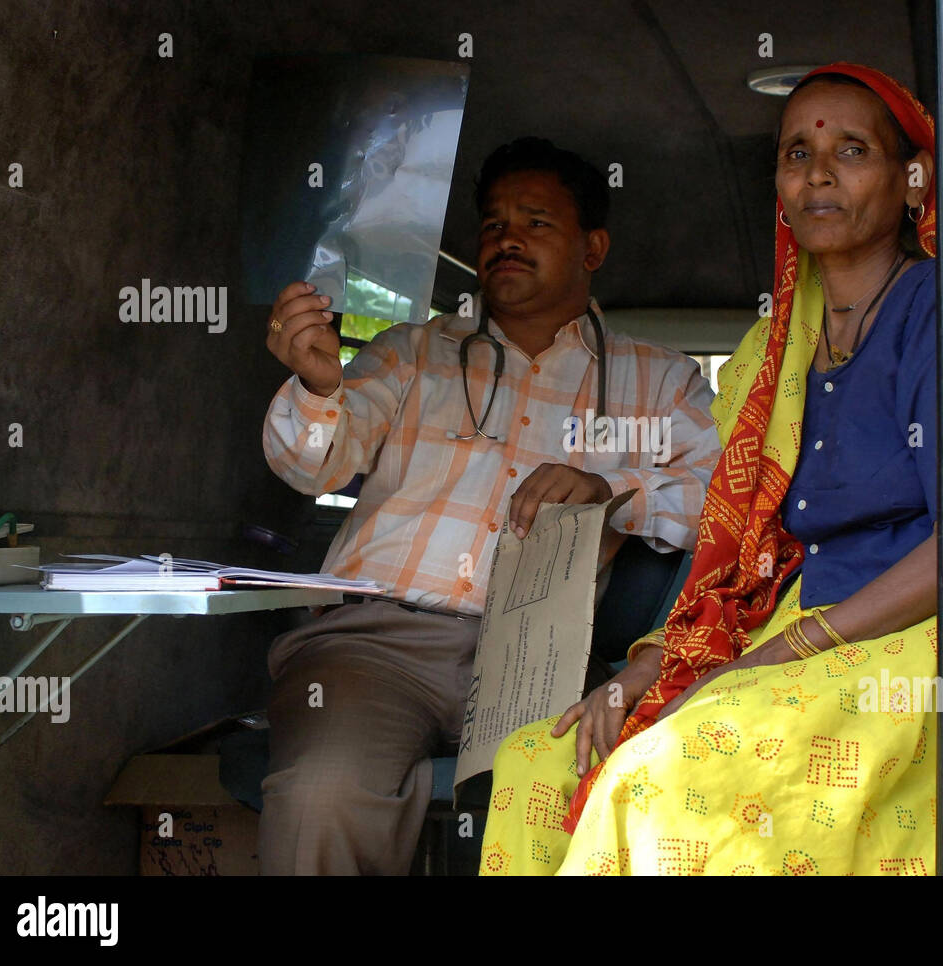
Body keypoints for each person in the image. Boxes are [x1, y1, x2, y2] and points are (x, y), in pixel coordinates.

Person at [481, 64, 943, 876]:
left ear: (914, 181)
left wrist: (768, 660)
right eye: (797, 153)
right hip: (797, 627)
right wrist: (639, 675)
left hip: (934, 637)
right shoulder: (786, 350)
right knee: (537, 764)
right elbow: (744, 565)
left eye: (852, 149)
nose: (820, 172)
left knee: (659, 785)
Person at [258, 137, 721, 874]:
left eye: (536, 222)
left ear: (592, 247)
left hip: (546, 654)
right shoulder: (412, 353)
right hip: (375, 643)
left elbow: (722, 506)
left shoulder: (661, 381)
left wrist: (614, 491)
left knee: (594, 803)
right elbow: (310, 463)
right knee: (321, 795)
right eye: (494, 225)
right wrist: (319, 387)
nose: (508, 239)